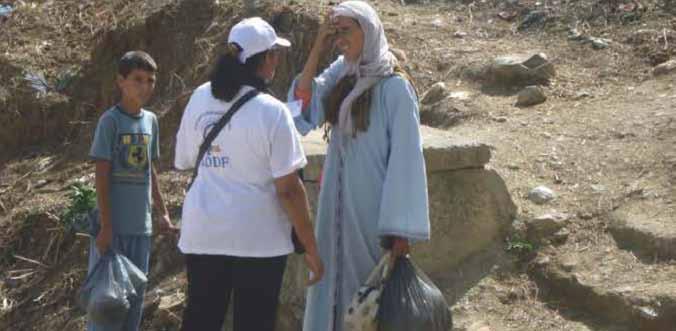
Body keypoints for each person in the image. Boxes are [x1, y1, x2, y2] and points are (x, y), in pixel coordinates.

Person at [174, 17, 324, 331]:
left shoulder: (200, 97)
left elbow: (186, 159)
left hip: (204, 232)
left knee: (201, 319)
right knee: (254, 322)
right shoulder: (273, 111)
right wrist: (311, 246)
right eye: (275, 54)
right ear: (267, 59)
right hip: (258, 239)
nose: (278, 61)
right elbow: (289, 190)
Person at [289, 1, 431, 330]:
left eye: (346, 32)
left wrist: (399, 230)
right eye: (335, 33)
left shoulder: (395, 87)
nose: (340, 40)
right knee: (331, 284)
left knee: (367, 296)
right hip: (334, 208)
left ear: (368, 32)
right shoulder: (343, 73)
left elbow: (406, 160)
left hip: (371, 212)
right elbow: (301, 112)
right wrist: (317, 47)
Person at [88, 50, 177, 331]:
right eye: (137, 79)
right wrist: (106, 226)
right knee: (106, 307)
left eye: (150, 80)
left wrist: (161, 212)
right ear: (120, 81)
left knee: (133, 306)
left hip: (141, 228)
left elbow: (149, 169)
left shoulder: (151, 121)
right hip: (114, 231)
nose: (145, 86)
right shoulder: (110, 122)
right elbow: (101, 175)